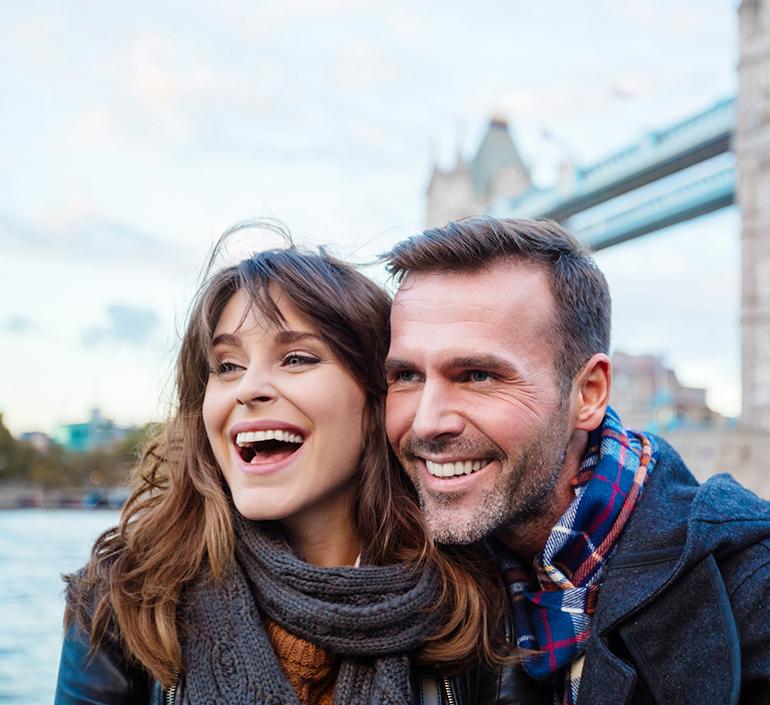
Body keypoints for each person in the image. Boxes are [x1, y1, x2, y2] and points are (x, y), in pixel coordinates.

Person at [383, 216, 770, 705]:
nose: (428, 422)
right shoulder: (412, 570)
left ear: (588, 393)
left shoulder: (754, 581)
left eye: (478, 375)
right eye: (407, 375)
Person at [56, 233, 505, 705]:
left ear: (379, 397)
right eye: (226, 366)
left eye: (296, 359)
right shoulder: (125, 596)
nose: (248, 389)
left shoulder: (475, 598)